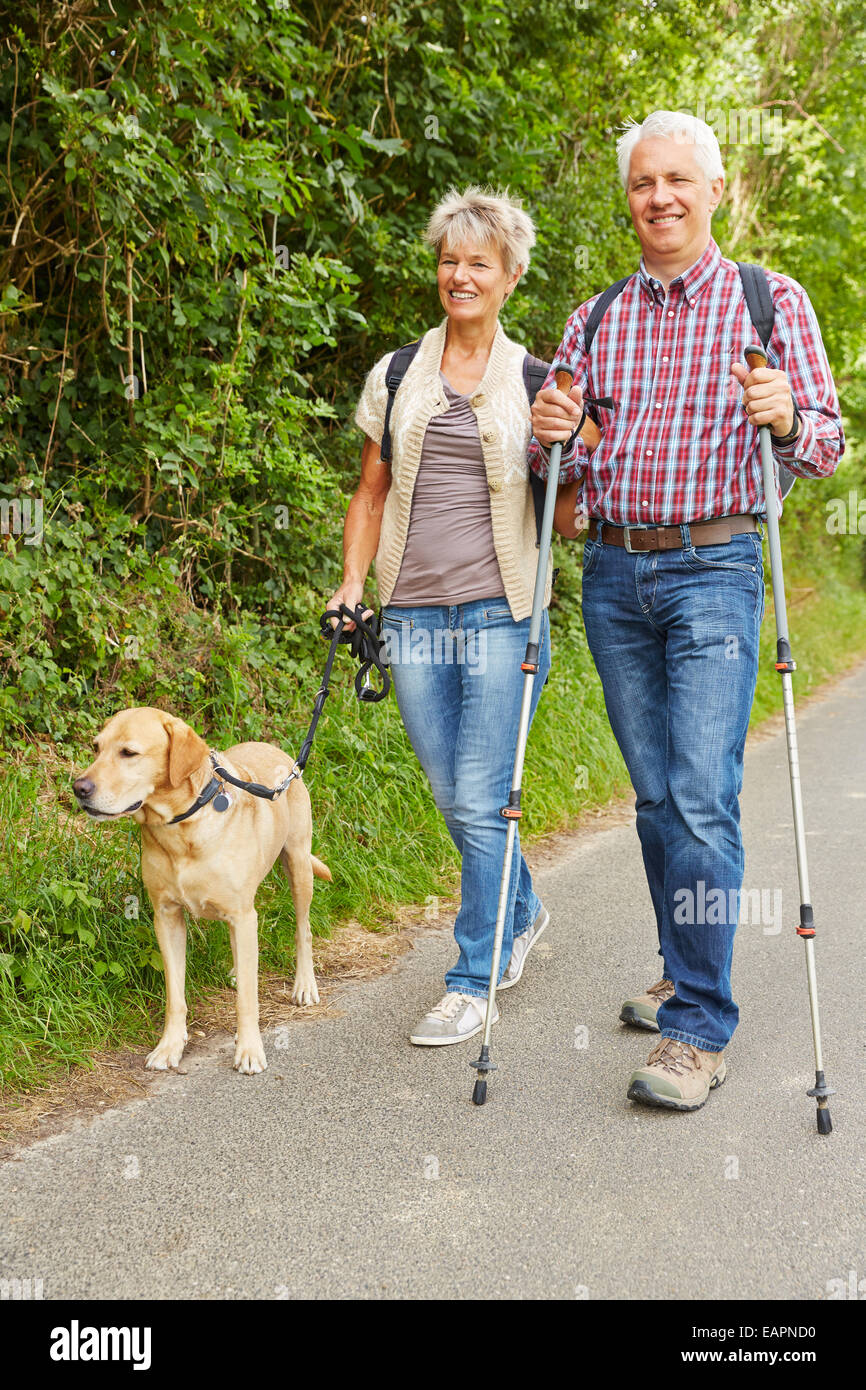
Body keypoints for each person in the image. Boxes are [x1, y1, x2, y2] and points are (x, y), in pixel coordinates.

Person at [530, 111, 843, 1111]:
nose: (657, 197)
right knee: (657, 797)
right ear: (626, 198)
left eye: (676, 180)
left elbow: (824, 444)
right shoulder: (594, 318)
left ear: (713, 192)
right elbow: (561, 473)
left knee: (701, 792)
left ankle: (697, 1025)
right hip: (615, 577)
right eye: (640, 183)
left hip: (715, 566)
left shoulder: (768, 300)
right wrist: (548, 436)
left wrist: (786, 414)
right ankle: (679, 962)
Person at [328, 187, 552, 1046]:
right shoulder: (397, 373)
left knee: (484, 795)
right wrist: (353, 580)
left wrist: (584, 446)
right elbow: (371, 489)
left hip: (502, 612)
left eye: (479, 264)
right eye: (450, 261)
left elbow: (566, 506)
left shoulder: (536, 382)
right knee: (452, 794)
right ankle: (523, 907)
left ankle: (472, 975)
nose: (460, 276)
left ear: (510, 277)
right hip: (413, 613)